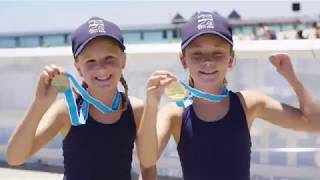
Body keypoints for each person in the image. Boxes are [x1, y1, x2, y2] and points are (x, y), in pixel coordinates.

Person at [138, 11, 320, 180]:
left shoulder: (248, 103)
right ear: (183, 60)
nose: (207, 61)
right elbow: (147, 160)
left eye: (217, 53)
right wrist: (152, 103)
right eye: (197, 54)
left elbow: (313, 123)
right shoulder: (175, 112)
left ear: (231, 59)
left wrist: (291, 77)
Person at [6, 17, 156, 180]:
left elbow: (148, 167)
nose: (101, 68)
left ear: (123, 60)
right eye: (90, 61)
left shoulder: (136, 110)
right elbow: (15, 157)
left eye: (109, 58)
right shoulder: (67, 111)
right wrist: (40, 104)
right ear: (78, 67)